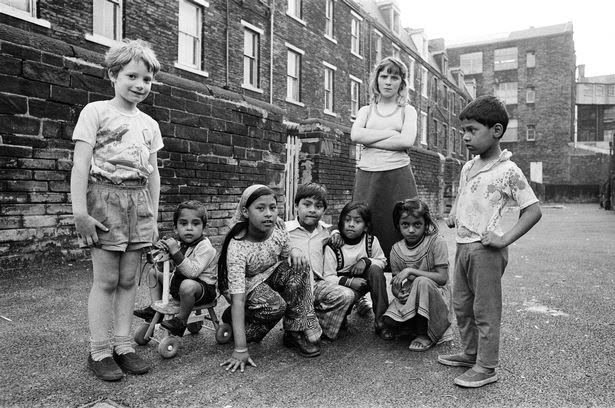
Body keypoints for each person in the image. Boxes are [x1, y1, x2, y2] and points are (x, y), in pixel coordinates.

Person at [70, 39, 162, 381]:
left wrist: (153, 216)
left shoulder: (150, 125)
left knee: (128, 280)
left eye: (147, 79)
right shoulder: (95, 111)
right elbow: (80, 166)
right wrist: (80, 211)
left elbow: (153, 173)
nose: (140, 85)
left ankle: (124, 346)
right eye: (132, 76)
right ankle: (99, 350)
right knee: (106, 279)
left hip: (139, 204)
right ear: (113, 75)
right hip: (104, 199)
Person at [439, 95, 542, 388]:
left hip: (486, 251)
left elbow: (533, 210)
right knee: (461, 305)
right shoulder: (468, 167)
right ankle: (470, 353)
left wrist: (504, 238)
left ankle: (487, 366)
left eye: (472, 130)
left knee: (485, 310)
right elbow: (463, 194)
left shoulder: (508, 170)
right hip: (462, 246)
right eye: (464, 131)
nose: (465, 137)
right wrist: (453, 213)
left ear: (496, 130)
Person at [218, 184, 322, 373]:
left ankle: (295, 330)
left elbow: (287, 251)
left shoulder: (277, 227)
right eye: (260, 208)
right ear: (245, 212)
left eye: (272, 208)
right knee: (275, 306)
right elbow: (238, 298)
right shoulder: (238, 247)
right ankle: (234, 321)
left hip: (268, 274)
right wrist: (240, 349)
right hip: (245, 287)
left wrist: (295, 250)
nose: (268, 214)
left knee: (300, 265)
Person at [350, 56, 418, 267]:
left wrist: (372, 138)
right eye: (384, 76)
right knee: (365, 227)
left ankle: (403, 288)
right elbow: (355, 135)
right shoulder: (365, 110)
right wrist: (390, 133)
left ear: (402, 82)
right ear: (377, 79)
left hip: (397, 175)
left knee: (401, 227)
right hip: (367, 176)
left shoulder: (408, 110)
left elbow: (407, 140)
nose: (388, 82)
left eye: (394, 77)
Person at [133, 200, 217, 337]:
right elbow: (169, 269)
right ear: (175, 228)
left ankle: (181, 321)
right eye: (183, 224)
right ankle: (155, 309)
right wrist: (161, 253)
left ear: (204, 228)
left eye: (195, 224)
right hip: (179, 286)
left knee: (187, 285)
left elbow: (192, 272)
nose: (189, 228)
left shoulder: (205, 247)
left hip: (202, 290)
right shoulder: (178, 243)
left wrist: (175, 252)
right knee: (154, 273)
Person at [286, 183, 356, 341]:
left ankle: (318, 328)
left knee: (346, 295)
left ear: (324, 210)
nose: (312, 210)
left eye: (318, 206)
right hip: (293, 286)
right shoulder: (285, 230)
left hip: (317, 283)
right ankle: (296, 326)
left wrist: (337, 232)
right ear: (296, 206)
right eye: (307, 204)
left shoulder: (325, 231)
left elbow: (334, 230)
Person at [382, 199, 453, 351]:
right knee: (387, 323)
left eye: (417, 224)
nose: (411, 230)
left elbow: (442, 278)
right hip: (411, 295)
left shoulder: (436, 242)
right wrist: (398, 293)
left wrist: (411, 271)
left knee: (422, 281)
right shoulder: (396, 250)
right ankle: (411, 324)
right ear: (398, 226)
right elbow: (396, 284)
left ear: (425, 224)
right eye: (405, 225)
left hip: (436, 295)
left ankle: (424, 334)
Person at [324, 202, 391, 340]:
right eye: (347, 220)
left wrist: (365, 261)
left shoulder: (371, 241)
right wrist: (349, 281)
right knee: (337, 332)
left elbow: (382, 261)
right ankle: (346, 313)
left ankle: (381, 321)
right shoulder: (333, 245)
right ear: (341, 222)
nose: (351, 224)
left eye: (357, 221)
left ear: (366, 226)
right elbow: (327, 276)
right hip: (342, 286)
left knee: (376, 270)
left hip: (365, 281)